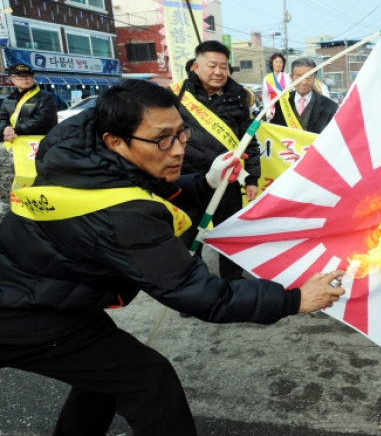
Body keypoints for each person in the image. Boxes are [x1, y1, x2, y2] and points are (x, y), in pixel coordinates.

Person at [0, 79, 345, 436]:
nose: (178, 149)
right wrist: (295, 299)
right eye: (163, 139)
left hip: (45, 291)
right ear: (115, 140)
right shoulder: (126, 221)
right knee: (148, 382)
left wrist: (207, 182)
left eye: (182, 134)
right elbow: (204, 296)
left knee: (108, 376)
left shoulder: (77, 151)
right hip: (25, 311)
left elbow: (132, 187)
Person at [170, 40, 260, 283]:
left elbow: (248, 140)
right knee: (189, 235)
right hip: (189, 180)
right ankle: (192, 285)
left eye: (224, 66)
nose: (219, 71)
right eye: (212, 65)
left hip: (227, 180)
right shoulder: (177, 94)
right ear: (196, 66)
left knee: (231, 233)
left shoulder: (239, 97)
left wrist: (251, 178)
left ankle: (234, 280)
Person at [268, 57, 338, 134]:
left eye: (308, 77)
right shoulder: (281, 102)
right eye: (299, 77)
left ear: (314, 77)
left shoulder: (330, 107)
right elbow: (274, 130)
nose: (303, 82)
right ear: (292, 78)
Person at [0, 64, 57, 143]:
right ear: (12, 79)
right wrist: (5, 129)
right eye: (20, 75)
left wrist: (16, 130)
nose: (24, 78)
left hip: (41, 143)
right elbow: (2, 119)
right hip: (17, 144)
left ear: (33, 78)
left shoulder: (45, 97)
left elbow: (43, 119)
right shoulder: (8, 99)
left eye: (28, 75)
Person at [263, 52, 291, 119]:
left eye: (281, 62)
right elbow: (265, 97)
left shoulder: (287, 76)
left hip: (285, 108)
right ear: (272, 63)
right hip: (272, 109)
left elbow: (287, 92)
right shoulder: (267, 78)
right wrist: (268, 111)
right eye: (276, 62)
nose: (278, 64)